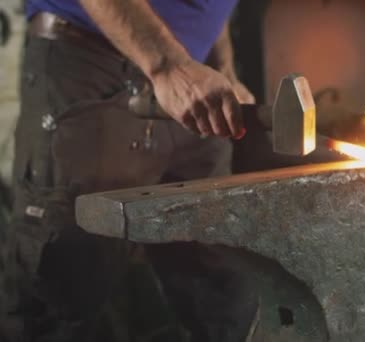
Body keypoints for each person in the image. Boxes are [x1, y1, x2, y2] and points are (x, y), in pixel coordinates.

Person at [2, 0, 260, 341]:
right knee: (63, 293)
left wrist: (222, 67)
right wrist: (168, 65)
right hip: (93, 63)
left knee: (225, 293)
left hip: (192, 79)